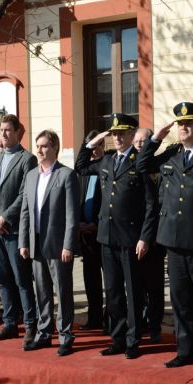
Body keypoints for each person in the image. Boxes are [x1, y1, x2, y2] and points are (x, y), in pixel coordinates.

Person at [137, 102, 193, 373]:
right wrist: (156, 138)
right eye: (180, 123)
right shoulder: (171, 154)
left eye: (188, 123)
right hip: (173, 239)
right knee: (179, 299)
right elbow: (143, 165)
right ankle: (184, 350)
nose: (183, 127)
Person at [76, 114, 158, 359]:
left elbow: (151, 204)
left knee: (133, 292)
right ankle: (118, 337)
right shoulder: (107, 161)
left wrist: (145, 237)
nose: (118, 138)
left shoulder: (139, 162)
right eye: (114, 134)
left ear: (132, 135)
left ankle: (133, 340)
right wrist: (94, 141)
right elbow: (81, 166)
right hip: (106, 237)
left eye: (122, 133)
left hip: (131, 239)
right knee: (112, 292)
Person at [19, 130, 80, 356]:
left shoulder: (66, 175)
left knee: (62, 291)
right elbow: (26, 211)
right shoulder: (31, 175)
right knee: (42, 292)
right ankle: (44, 334)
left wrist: (68, 245)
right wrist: (23, 242)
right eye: (38, 146)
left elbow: (72, 215)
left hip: (57, 245)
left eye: (44, 146)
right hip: (35, 244)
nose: (40, 150)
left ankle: (65, 336)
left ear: (54, 147)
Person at [0, 114, 38, 343]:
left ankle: (31, 325)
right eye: (0, 130)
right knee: (3, 279)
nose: (3, 134)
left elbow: (25, 194)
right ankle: (9, 323)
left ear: (17, 132)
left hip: (14, 231)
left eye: (7, 130)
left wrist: (4, 218)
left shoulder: (27, 159)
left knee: (22, 280)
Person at [133, 127, 166, 343]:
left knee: (154, 285)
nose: (138, 144)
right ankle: (139, 322)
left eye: (143, 141)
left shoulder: (160, 162)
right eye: (136, 140)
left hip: (155, 236)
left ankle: (155, 324)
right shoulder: (129, 163)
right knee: (136, 285)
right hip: (133, 235)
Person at [76, 130, 106, 332]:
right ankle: (94, 317)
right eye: (91, 147)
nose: (94, 151)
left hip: (103, 232)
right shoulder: (83, 172)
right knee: (90, 278)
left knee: (111, 281)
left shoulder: (109, 165)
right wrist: (79, 223)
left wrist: (96, 223)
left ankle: (110, 320)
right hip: (85, 234)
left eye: (98, 146)